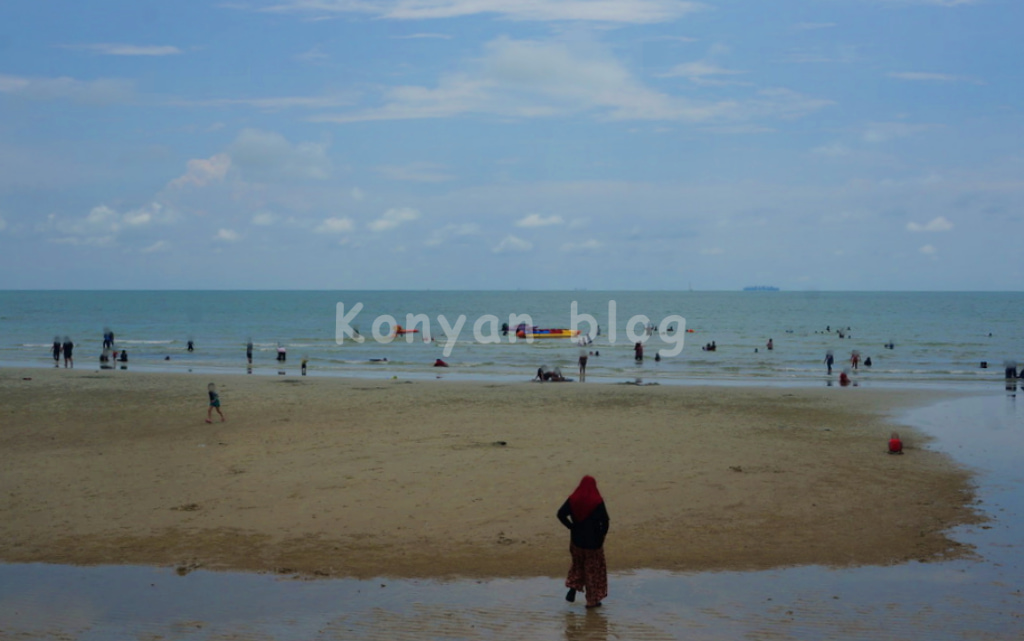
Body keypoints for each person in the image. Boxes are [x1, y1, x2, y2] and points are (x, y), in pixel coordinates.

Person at [557, 476, 610, 609]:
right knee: (592, 570)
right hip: (593, 543)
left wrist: (571, 526)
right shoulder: (597, 501)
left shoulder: (573, 499)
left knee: (578, 565)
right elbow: (605, 521)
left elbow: (561, 514)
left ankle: (573, 587)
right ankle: (592, 601)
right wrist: (602, 535)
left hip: (576, 540)